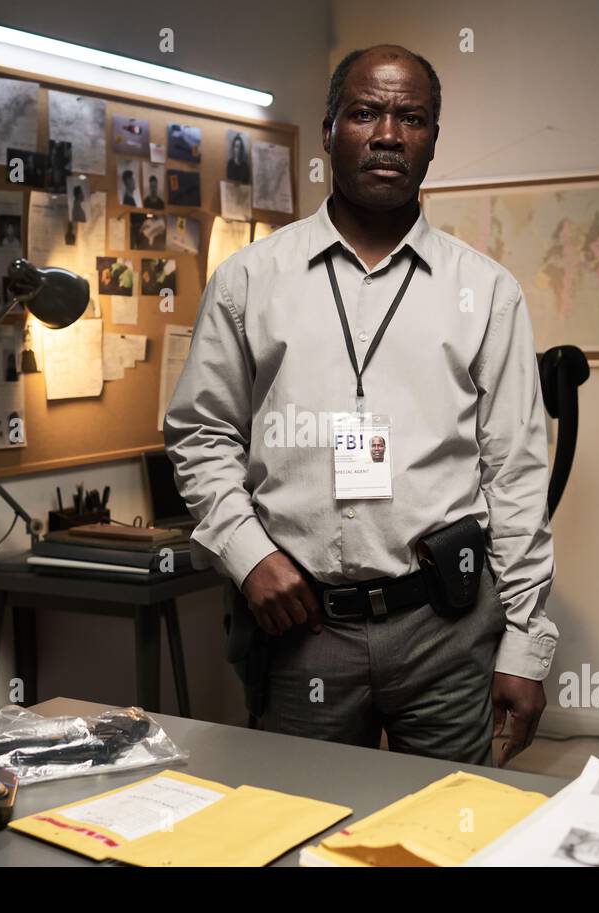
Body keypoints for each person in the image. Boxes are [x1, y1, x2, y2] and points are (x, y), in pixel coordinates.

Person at [163, 45, 557, 767]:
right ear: (328, 131)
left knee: (447, 834)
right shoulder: (250, 280)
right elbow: (200, 432)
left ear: (433, 139)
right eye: (365, 112)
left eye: (412, 117)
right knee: (301, 829)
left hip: (446, 628)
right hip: (302, 628)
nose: (387, 133)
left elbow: (517, 476)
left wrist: (526, 644)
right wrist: (248, 558)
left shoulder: (487, 291)